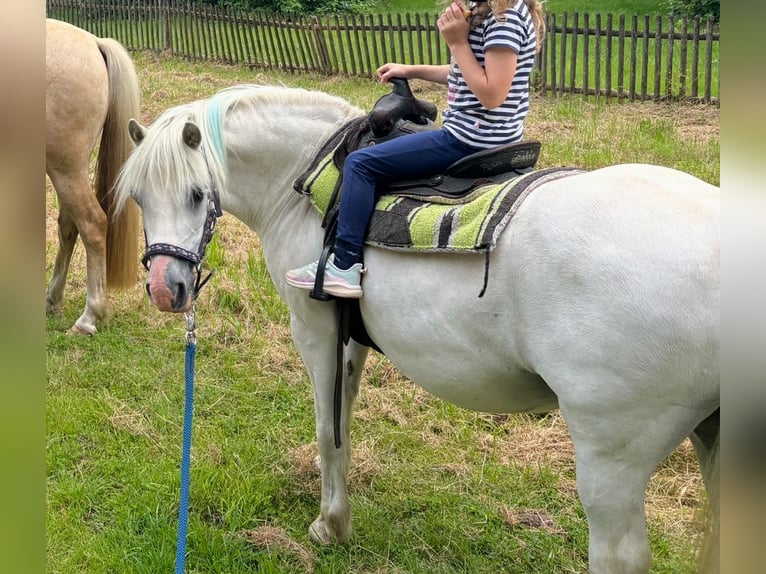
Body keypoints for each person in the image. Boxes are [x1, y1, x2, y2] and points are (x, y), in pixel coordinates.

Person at [285, 0, 546, 298]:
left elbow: (492, 94)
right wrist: (411, 70)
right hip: (495, 136)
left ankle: (343, 266)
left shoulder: (504, 19)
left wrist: (457, 41)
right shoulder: (496, 11)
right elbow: (466, 72)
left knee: (360, 164)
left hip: (470, 139)